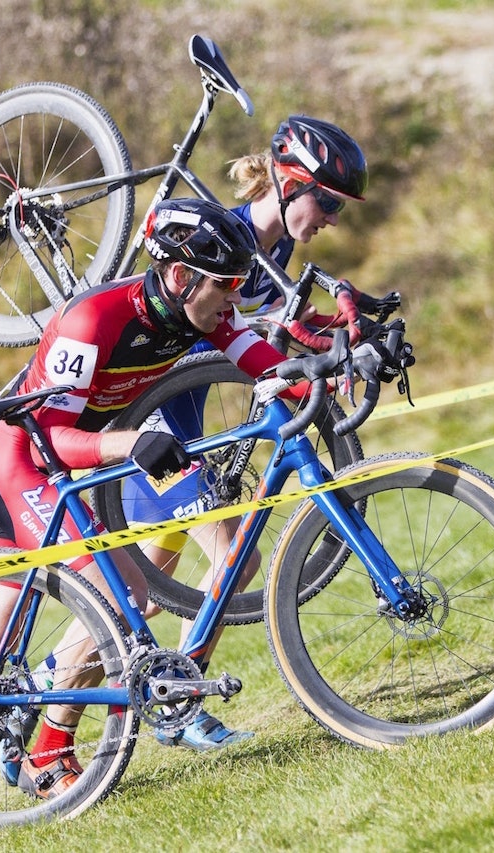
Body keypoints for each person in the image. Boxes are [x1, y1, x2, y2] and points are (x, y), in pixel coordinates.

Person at [0, 198, 305, 853]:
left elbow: (262, 359)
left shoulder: (198, 312)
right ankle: (49, 746)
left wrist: (334, 368)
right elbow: (50, 439)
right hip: (18, 462)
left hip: (56, 464)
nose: (233, 301)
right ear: (177, 277)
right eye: (224, 287)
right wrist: (133, 441)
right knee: (124, 596)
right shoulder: (92, 320)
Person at [122, 115, 371, 591]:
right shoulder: (227, 240)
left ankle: (159, 668)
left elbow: (276, 328)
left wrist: (355, 331)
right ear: (293, 185)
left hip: (183, 424)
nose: (334, 218)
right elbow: (247, 328)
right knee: (234, 564)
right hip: (151, 416)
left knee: (153, 596)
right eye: (328, 201)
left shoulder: (273, 251)